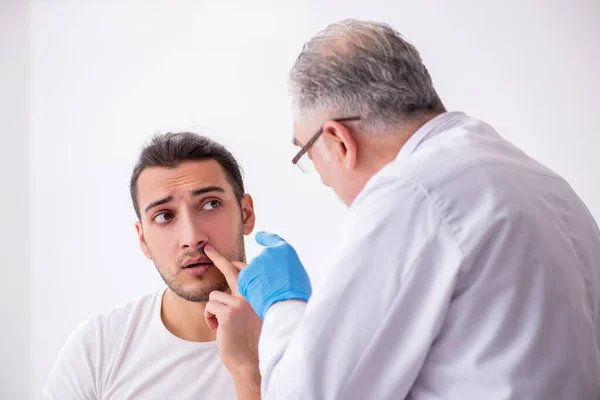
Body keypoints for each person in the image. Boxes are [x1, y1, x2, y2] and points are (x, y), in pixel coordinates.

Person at [204, 19, 600, 399]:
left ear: (339, 141)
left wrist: (281, 303)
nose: (322, 178)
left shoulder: (411, 193)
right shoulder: (538, 179)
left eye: (308, 154)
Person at [44, 132, 262, 400]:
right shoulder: (98, 348)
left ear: (246, 214)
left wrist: (248, 373)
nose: (192, 237)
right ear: (143, 239)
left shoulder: (305, 336)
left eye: (210, 204)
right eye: (164, 216)